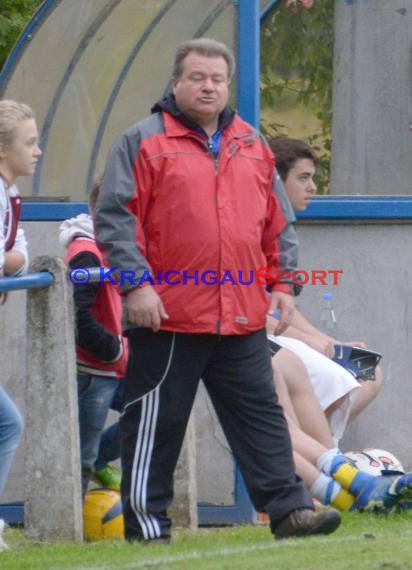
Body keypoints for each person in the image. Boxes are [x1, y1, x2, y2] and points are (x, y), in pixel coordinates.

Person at [95, 37, 343, 542]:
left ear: (226, 85)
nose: (208, 87)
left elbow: (278, 225)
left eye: (217, 79)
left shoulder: (251, 144)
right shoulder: (141, 141)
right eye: (197, 77)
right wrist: (137, 286)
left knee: (264, 420)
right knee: (154, 427)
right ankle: (147, 525)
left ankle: (290, 511)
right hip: (165, 315)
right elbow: (116, 219)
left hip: (242, 316)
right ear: (176, 81)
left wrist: (284, 286)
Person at [268, 135, 382, 440]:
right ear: (276, 182)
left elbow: (283, 304)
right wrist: (308, 340)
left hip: (284, 331)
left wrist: (327, 338)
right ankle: (320, 462)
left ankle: (321, 452)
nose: (313, 188)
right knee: (333, 377)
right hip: (257, 338)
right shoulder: (255, 228)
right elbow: (254, 309)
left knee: (368, 366)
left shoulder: (283, 230)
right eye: (303, 178)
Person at [269, 338, 412, 513]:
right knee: (270, 428)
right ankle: (352, 487)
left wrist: (327, 341)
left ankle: (351, 486)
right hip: (234, 339)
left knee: (291, 366)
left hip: (245, 336)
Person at [59, 177, 128, 498]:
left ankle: (101, 457)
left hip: (121, 364)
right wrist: (113, 350)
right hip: (95, 369)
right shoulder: (85, 253)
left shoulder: (121, 248)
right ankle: (67, 526)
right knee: (81, 457)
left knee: (154, 414)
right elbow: (78, 317)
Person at [0, 99, 41, 550]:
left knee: (7, 423)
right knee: (7, 423)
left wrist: (10, 263)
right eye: (28, 143)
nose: (37, 151)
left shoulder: (9, 194)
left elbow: (20, 251)